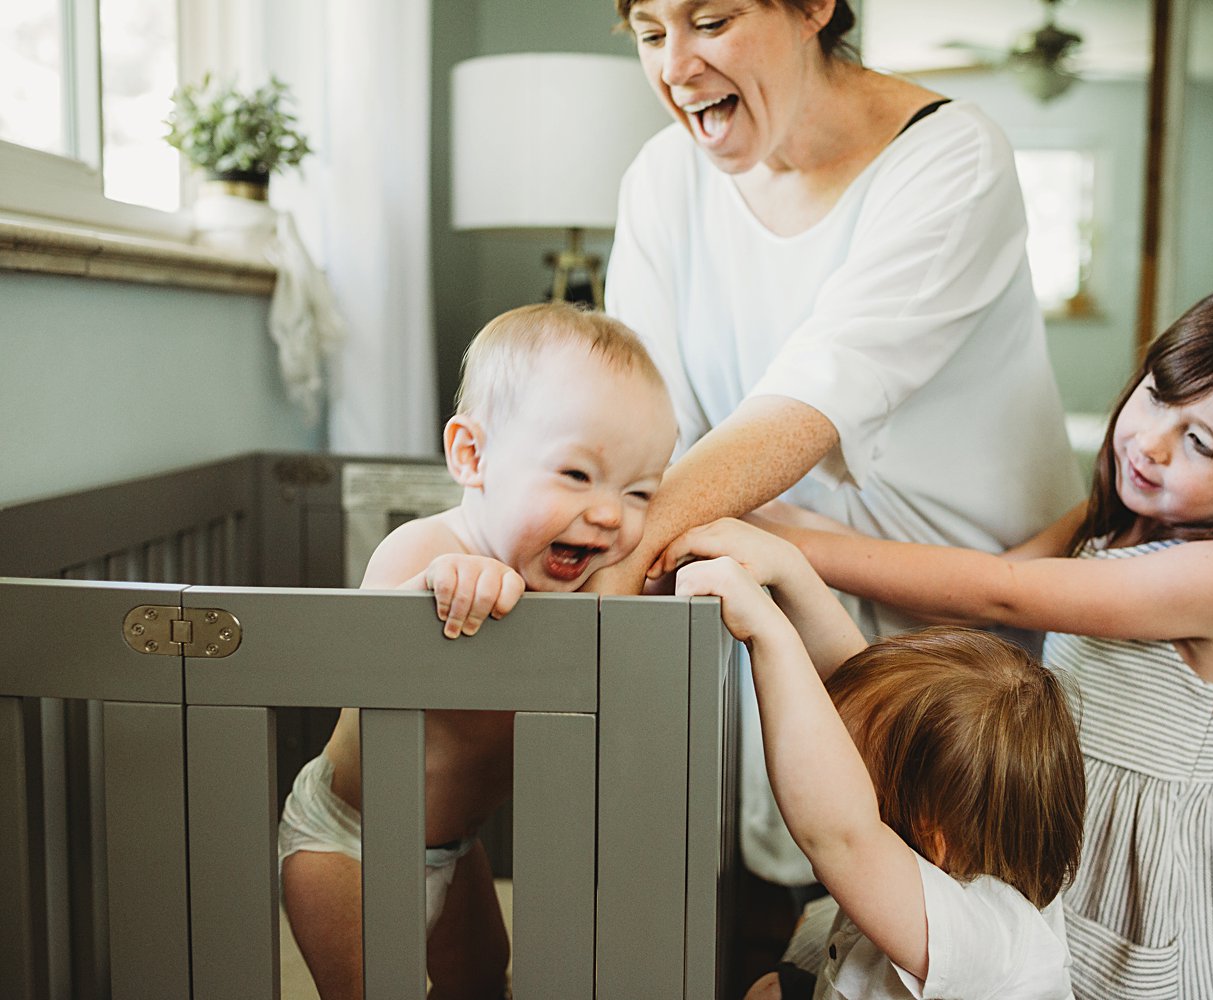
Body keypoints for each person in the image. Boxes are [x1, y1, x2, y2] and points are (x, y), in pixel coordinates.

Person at [674, 274, 1213, 998]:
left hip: (1137, 860)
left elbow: (997, 589)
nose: (1150, 443)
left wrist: (800, 549)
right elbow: (991, 587)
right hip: (1050, 804)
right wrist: (760, 516)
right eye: (1159, 395)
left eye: (1199, 441)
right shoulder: (1117, 520)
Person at [601, 0, 1082, 932]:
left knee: (959, 939)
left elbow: (808, 404)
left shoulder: (952, 159)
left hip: (965, 642)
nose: (678, 66)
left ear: (815, 7)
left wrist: (611, 575)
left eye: (712, 20)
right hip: (768, 603)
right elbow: (643, 414)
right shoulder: (663, 178)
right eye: (652, 34)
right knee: (800, 927)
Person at [278, 303, 678, 1000]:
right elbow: (362, 647)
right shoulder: (429, 549)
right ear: (472, 456)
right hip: (348, 846)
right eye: (578, 476)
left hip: (455, 850)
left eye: (640, 491)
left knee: (484, 981)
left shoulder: (583, 587)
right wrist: (435, 589)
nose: (612, 514)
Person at [669, 517, 1084, 999]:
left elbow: (841, 834)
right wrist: (790, 571)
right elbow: (853, 685)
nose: (832, 757)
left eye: (849, 769)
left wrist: (768, 634)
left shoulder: (992, 940)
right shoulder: (956, 841)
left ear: (931, 834)